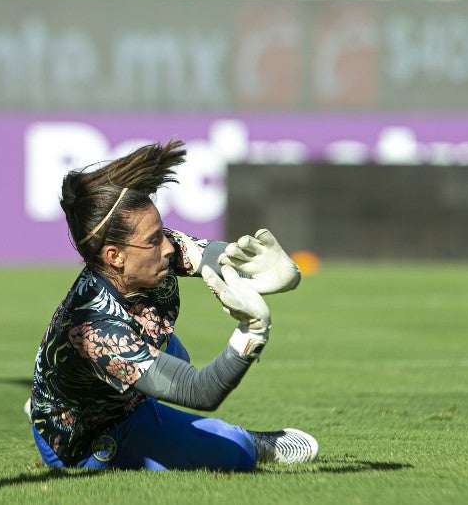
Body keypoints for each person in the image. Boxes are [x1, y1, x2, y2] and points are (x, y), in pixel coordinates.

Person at [26, 139, 318, 471]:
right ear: (115, 256)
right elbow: (199, 392)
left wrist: (279, 273)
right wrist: (250, 333)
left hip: (108, 380)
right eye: (153, 240)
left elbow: (217, 257)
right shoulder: (97, 330)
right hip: (85, 439)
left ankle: (129, 402)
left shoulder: (151, 256)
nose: (169, 246)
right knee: (235, 453)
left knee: (174, 353)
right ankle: (251, 440)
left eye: (161, 231)